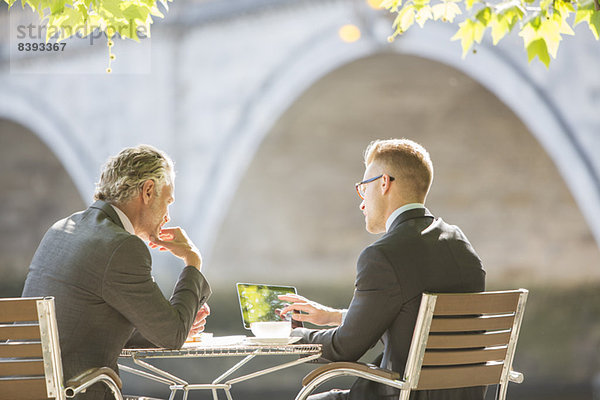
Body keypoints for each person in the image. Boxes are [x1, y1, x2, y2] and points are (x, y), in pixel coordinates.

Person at [280, 139, 486, 400]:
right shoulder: (461, 245)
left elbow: (345, 348)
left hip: (404, 394)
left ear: (384, 183)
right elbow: (410, 321)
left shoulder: (382, 256)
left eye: (363, 188)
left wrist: (292, 336)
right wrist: (333, 316)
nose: (362, 202)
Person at [22, 145, 211, 400]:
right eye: (167, 202)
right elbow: (172, 335)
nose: (167, 216)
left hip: (25, 388)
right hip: (77, 392)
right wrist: (192, 260)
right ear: (147, 191)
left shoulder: (60, 229)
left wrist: (170, 324)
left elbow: (86, 325)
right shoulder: (123, 246)